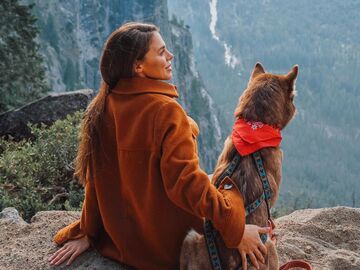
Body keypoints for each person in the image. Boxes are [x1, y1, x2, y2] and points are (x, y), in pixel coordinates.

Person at [48, 22, 270, 270]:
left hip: (127, 245)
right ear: (138, 66)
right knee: (245, 204)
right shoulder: (165, 111)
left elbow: (98, 180)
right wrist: (236, 230)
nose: (170, 56)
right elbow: (185, 184)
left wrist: (89, 230)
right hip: (171, 248)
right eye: (161, 52)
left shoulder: (104, 106)